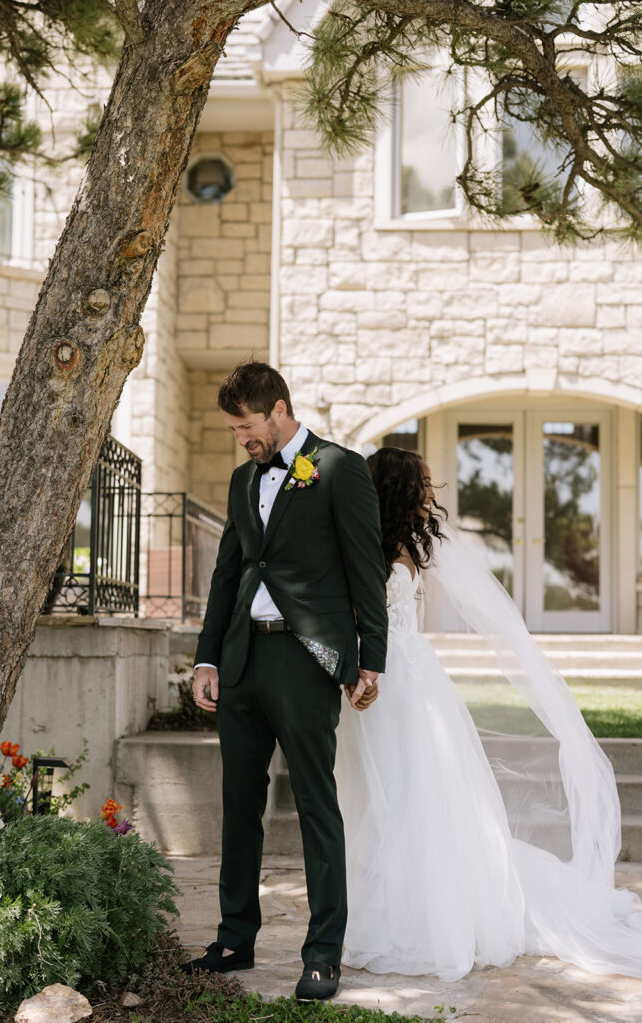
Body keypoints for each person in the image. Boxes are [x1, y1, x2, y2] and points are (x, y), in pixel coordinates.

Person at [336, 446, 642, 981]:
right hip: (386, 677)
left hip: (400, 682)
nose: (430, 494)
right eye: (422, 483)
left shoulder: (395, 546)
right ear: (402, 489)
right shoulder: (377, 542)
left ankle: (416, 915)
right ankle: (379, 905)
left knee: (408, 795)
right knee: (378, 794)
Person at [184, 362, 388, 1000]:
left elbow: (365, 568)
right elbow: (228, 573)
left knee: (315, 807)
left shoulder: (339, 468)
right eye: (232, 429)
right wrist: (207, 659)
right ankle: (233, 939)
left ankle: (323, 954)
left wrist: (370, 658)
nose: (241, 438)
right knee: (239, 805)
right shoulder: (242, 479)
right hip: (241, 661)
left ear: (278, 411)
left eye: (247, 426)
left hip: (305, 661)